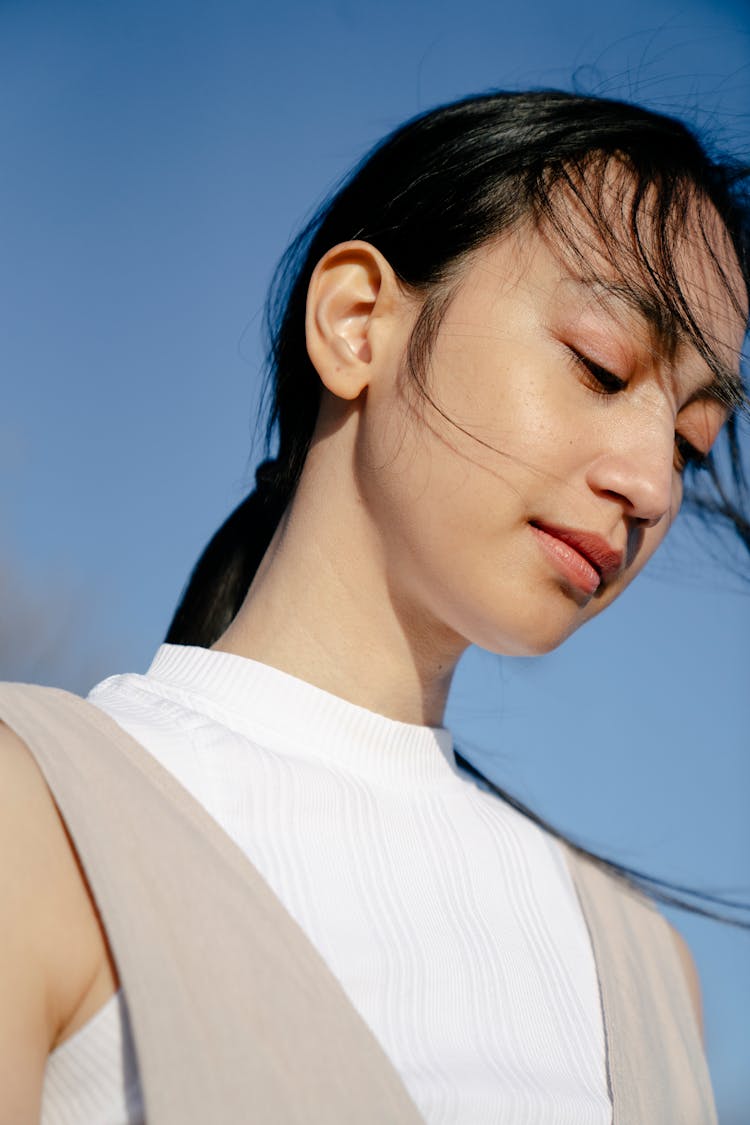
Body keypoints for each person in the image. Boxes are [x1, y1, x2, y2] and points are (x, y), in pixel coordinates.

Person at [1, 89, 747, 1125]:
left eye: (691, 440)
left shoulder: (646, 971)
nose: (653, 485)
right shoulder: (39, 810)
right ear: (357, 325)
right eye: (599, 364)